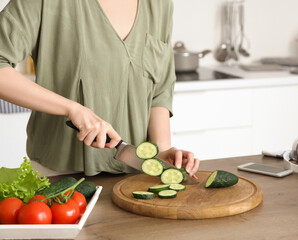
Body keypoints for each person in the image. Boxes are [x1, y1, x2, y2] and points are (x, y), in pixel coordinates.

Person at [0, 0, 200, 177]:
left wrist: (161, 153)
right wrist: (73, 109)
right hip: (59, 175)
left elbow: (159, 90)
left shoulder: (160, 5)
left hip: (136, 176)